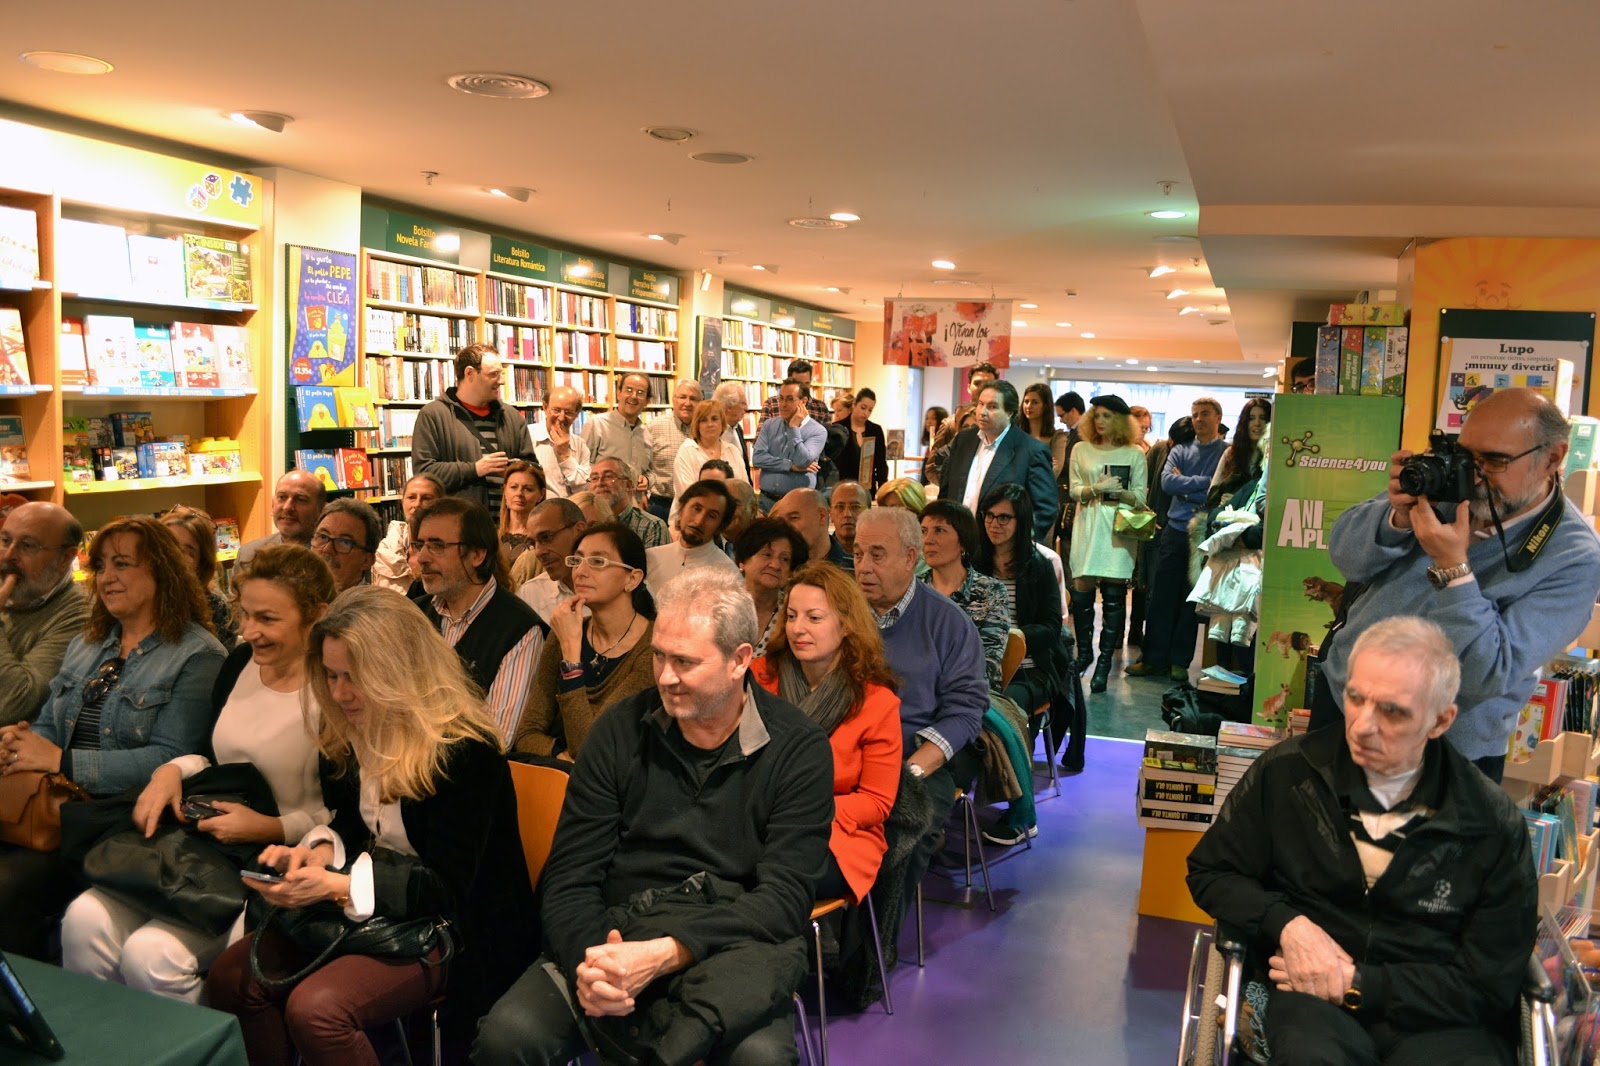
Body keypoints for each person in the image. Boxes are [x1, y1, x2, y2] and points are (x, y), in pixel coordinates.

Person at [473, 568, 833, 1066]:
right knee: (507, 1038)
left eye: (685, 661)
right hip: (615, 932)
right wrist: (598, 962)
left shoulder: (798, 748)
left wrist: (667, 952)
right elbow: (571, 876)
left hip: (728, 945)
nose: (664, 675)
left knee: (761, 1060)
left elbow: (784, 899)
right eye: (659, 655)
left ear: (740, 661)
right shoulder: (619, 732)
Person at [1188, 617, 1536, 1066]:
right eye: (1355, 698)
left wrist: (1358, 983)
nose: (1362, 726)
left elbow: (1490, 982)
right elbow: (1212, 870)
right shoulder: (1290, 774)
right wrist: (1289, 925)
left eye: (1392, 710)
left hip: (1439, 1014)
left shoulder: (1489, 820)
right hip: (1312, 1001)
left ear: (1441, 720)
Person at [207, 587, 535, 1064]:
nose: (339, 693)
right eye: (332, 675)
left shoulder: (466, 751)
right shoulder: (352, 728)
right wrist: (316, 854)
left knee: (317, 1010)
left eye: (354, 677)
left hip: (458, 930)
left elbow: (449, 888)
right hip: (378, 909)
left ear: (399, 673)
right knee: (231, 978)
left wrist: (335, 887)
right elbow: (352, 823)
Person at [61, 545, 337, 1002]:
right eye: (244, 614)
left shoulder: (333, 690)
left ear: (317, 615)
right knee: (82, 920)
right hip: (205, 848)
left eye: (267, 619)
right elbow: (212, 756)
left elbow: (345, 816)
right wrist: (171, 770)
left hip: (273, 862)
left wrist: (269, 826)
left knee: (153, 955)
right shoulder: (239, 665)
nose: (249, 632)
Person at [1316, 388, 1600, 781]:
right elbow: (1346, 558)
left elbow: (1490, 672)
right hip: (1342, 707)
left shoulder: (1575, 558)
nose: (1473, 473)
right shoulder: (1448, 486)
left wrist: (1453, 567)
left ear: (1552, 458)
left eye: (1494, 460)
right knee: (1311, 840)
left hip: (1443, 753)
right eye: (1466, 455)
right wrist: (1394, 518)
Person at [0, 517, 225, 958]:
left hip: (118, 824)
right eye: (101, 566)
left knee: (8, 887)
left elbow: (169, 759)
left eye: (122, 564)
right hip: (52, 807)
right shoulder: (90, 641)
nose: (106, 578)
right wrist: (19, 742)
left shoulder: (199, 655)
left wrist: (61, 762)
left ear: (161, 571)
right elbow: (49, 723)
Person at [852, 508, 987, 923]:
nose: (863, 567)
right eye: (857, 554)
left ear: (911, 559)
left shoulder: (948, 623)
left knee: (908, 829)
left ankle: (874, 948)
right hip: (843, 750)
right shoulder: (840, 611)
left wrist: (911, 771)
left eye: (878, 555)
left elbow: (966, 710)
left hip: (915, 755)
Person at [751, 563, 902, 903]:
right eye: (791, 616)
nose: (797, 629)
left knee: (770, 879)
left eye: (813, 618)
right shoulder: (758, 679)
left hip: (836, 833)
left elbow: (876, 803)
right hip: (753, 820)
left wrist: (800, 812)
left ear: (847, 625)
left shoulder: (877, 703)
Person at [515, 523, 657, 761]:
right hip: (559, 778)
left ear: (632, 579)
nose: (580, 572)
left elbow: (588, 748)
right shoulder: (567, 630)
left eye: (597, 562)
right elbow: (527, 733)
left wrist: (571, 655)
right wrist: (560, 756)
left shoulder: (653, 647)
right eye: (577, 560)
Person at [974, 486, 1066, 845]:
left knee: (1001, 710)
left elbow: (1052, 628)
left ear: (1020, 520)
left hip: (1031, 668)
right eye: (989, 516)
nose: (994, 524)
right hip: (980, 667)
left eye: (1004, 517)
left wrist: (1010, 635)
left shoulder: (1039, 566)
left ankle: (1021, 811)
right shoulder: (975, 562)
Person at [412, 497, 545, 742]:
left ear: (477, 555)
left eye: (437, 546)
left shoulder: (519, 629)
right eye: (419, 545)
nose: (422, 557)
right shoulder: (413, 616)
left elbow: (496, 738)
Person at [1126, 397, 1227, 680]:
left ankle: (1178, 662)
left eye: (1205, 414)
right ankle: (1152, 658)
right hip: (1174, 531)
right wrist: (1201, 483)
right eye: (1194, 414)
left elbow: (1216, 490)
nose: (1198, 419)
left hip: (1203, 534)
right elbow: (1167, 483)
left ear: (1218, 417)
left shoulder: (1226, 453)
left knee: (1189, 601)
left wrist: (1189, 485)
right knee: (1160, 597)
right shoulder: (1181, 449)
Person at [1065, 395, 1148, 692]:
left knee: (1114, 597)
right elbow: (1073, 489)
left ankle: (1103, 664)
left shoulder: (1135, 454)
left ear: (1121, 421)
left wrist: (1121, 492)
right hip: (1088, 525)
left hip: (1118, 529)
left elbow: (1141, 498)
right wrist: (1094, 489)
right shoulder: (1080, 449)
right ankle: (1084, 653)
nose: (1099, 421)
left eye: (1107, 416)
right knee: (1083, 591)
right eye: (1096, 415)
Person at [411, 342, 538, 516]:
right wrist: (475, 469)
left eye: (501, 374)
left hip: (508, 526)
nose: (501, 381)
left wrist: (514, 471)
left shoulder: (511, 417)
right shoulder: (433, 415)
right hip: (459, 526)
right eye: (494, 375)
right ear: (470, 373)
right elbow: (424, 473)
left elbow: (534, 469)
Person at [1192, 398, 1271, 675]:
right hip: (1228, 557)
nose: (1258, 423)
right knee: (1223, 632)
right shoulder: (1234, 456)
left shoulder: (1270, 478)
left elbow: (1264, 530)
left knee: (1245, 634)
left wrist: (1241, 532)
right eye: (1252, 417)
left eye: (1263, 418)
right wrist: (1228, 516)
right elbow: (1214, 507)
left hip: (1255, 561)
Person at [0, 502, 89, 725]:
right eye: (5, 540)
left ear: (66, 558)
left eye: (28, 546)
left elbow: (12, 705)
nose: (9, 555)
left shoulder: (79, 614)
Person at [938, 380, 1058, 542]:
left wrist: (1016, 546)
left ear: (1009, 413)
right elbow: (946, 494)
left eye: (993, 407)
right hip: (958, 544)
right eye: (981, 404)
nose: (983, 412)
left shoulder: (1031, 451)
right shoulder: (964, 440)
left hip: (1001, 549)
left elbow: (1044, 509)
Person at [919, 500, 1011, 689]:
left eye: (939, 530)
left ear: (963, 542)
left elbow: (988, 665)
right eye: (923, 531)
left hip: (970, 697)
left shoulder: (991, 591)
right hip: (916, 695)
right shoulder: (912, 590)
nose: (928, 540)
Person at [1129, 416, 1194, 648]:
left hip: (1180, 530)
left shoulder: (1191, 457)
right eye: (1170, 440)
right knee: (1147, 585)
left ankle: (1160, 646)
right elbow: (1143, 481)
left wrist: (1181, 480)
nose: (1171, 445)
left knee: (1168, 591)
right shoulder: (1159, 450)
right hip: (1154, 524)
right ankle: (1144, 640)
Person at [161, 505, 237, 648]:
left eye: (187, 552)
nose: (175, 556)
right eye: (169, 547)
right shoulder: (136, 599)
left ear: (201, 564)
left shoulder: (216, 608)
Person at [644, 479, 738, 595]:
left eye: (712, 516)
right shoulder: (651, 558)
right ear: (681, 509)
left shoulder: (727, 575)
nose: (699, 521)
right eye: (696, 509)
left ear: (720, 526)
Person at [733, 517, 810, 656]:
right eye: (767, 554)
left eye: (784, 559)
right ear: (743, 561)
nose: (775, 565)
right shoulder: (721, 604)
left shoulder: (792, 612)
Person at [751, 379, 828, 509]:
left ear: (803, 402)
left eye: (789, 399)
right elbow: (757, 459)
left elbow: (802, 461)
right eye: (780, 399)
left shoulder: (818, 431)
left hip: (798, 503)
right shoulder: (769, 425)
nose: (783, 404)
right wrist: (790, 466)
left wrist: (794, 428)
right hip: (766, 501)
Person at [580, 372, 653, 498]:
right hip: (602, 505)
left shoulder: (647, 433)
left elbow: (650, 471)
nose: (634, 396)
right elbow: (582, 465)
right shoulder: (596, 424)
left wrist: (647, 480)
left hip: (633, 505)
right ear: (619, 393)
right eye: (628, 390)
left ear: (647, 401)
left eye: (640, 393)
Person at [517, 498, 588, 623]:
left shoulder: (618, 588)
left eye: (546, 537)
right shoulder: (530, 595)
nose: (538, 552)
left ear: (579, 531)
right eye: (533, 543)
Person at [371, 474, 443, 594]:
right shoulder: (386, 550)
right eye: (411, 497)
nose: (417, 504)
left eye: (427, 498)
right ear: (402, 502)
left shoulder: (450, 548)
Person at [643, 378, 703, 520]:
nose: (687, 403)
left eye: (693, 399)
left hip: (695, 506)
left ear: (700, 402)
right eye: (682, 397)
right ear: (673, 399)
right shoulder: (654, 427)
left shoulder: (705, 429)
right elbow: (643, 466)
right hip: (660, 504)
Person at [238, 470, 326, 565]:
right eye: (282, 497)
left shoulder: (330, 558)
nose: (287, 507)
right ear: (272, 505)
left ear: (321, 510)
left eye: (300, 499)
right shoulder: (247, 555)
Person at [586, 457, 669, 550]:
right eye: (594, 478)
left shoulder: (651, 527)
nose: (600, 483)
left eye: (608, 476)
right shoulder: (583, 522)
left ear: (628, 485)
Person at [674, 399, 747, 500]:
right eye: (704, 420)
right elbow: (687, 493)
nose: (710, 424)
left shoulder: (732, 450)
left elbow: (744, 488)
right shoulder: (686, 451)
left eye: (714, 419)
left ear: (722, 423)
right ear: (697, 424)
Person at [308, 498, 381, 594]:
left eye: (344, 542)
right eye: (322, 537)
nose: (327, 549)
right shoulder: (293, 599)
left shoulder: (376, 607)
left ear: (367, 560)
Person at [529, 385, 590, 497]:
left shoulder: (580, 445)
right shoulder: (528, 436)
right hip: (538, 512)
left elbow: (584, 489)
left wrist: (565, 456)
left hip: (571, 511)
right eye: (556, 410)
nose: (561, 418)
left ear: (576, 414)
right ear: (545, 407)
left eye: (568, 412)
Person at [773, 487, 851, 569]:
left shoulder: (855, 570)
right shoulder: (778, 569)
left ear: (822, 516)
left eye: (793, 518)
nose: (785, 527)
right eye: (781, 521)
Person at [833, 387, 888, 493]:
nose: (866, 413)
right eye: (863, 408)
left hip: (867, 490)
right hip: (843, 489)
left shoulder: (875, 430)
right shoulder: (838, 428)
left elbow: (881, 464)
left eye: (870, 410)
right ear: (854, 404)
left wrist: (883, 490)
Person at [498, 459, 548, 568]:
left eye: (528, 489)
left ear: (541, 494)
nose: (519, 493)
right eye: (513, 487)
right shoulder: (491, 535)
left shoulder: (545, 541)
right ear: (505, 490)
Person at [757, 357, 832, 426]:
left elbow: (829, 437)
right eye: (798, 383)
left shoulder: (820, 407)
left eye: (806, 383)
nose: (803, 388)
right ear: (789, 380)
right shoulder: (771, 404)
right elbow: (761, 436)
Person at [713, 381, 753, 474]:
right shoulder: (714, 432)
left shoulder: (738, 428)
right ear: (729, 406)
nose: (746, 408)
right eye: (743, 403)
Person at [829, 480, 868, 564]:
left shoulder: (881, 556)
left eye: (855, 507)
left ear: (868, 513)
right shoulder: (822, 556)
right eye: (840, 507)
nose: (847, 514)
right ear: (830, 513)